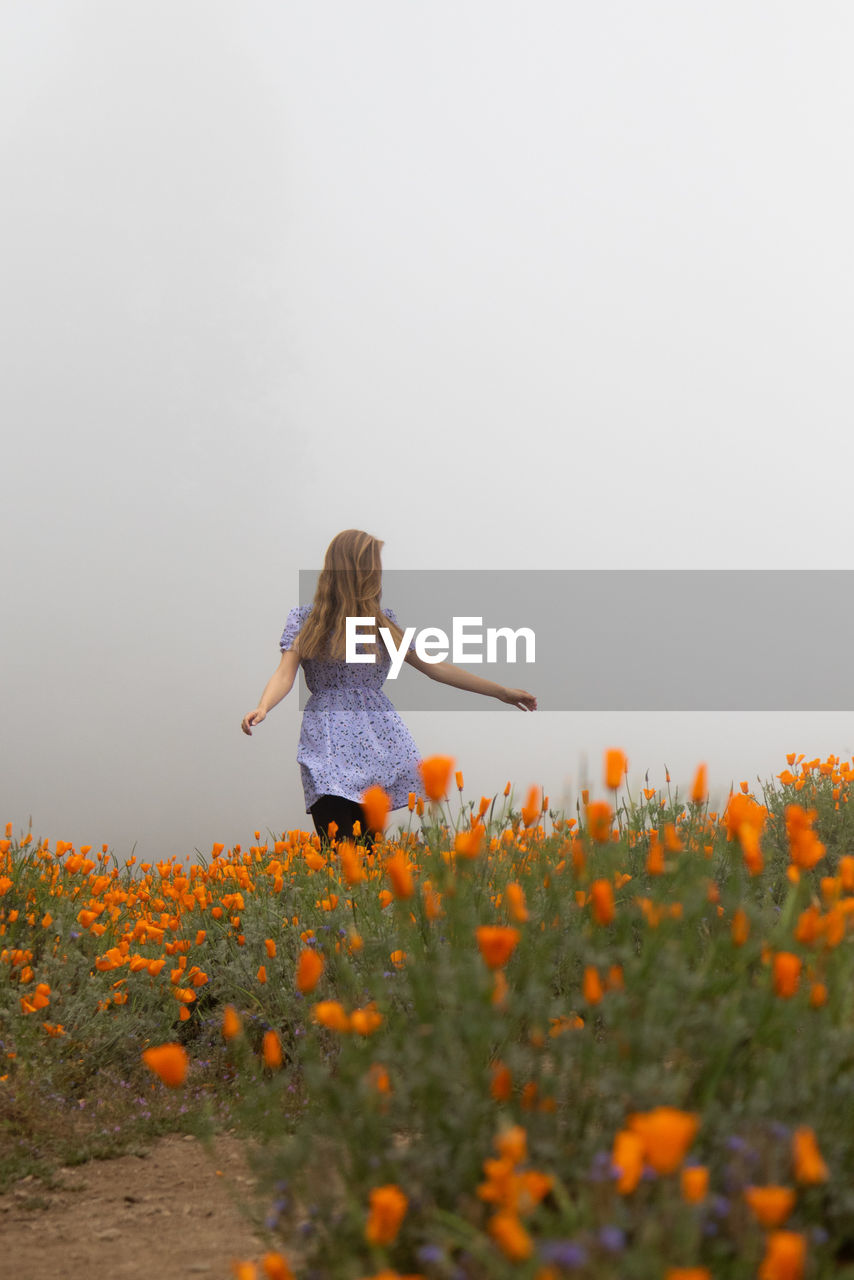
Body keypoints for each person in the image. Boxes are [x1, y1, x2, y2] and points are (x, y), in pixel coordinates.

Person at [241, 529, 537, 846]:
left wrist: (502, 692)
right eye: (372, 565)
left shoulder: (381, 625)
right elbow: (285, 674)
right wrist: (264, 705)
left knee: (368, 849)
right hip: (326, 744)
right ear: (355, 569)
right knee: (337, 845)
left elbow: (435, 666)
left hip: (374, 745)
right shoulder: (306, 621)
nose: (378, 573)